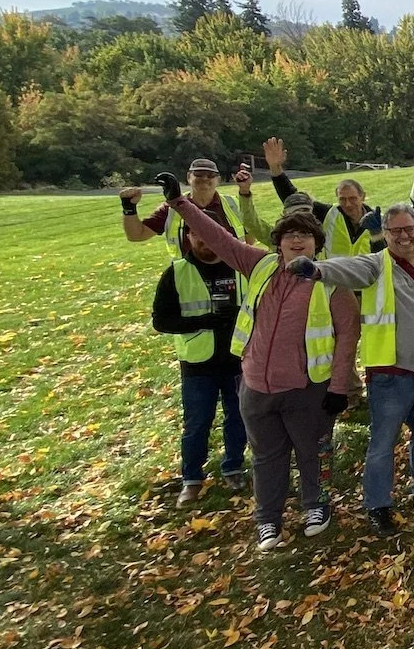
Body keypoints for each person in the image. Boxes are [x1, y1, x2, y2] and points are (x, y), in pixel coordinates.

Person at [158, 175, 361, 551]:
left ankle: (316, 506)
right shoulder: (260, 266)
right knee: (267, 457)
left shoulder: (330, 280)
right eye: (290, 235)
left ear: (317, 244)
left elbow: (348, 336)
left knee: (313, 452)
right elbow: (220, 238)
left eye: (305, 236)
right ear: (278, 242)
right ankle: (268, 520)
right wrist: (179, 203)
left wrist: (338, 388)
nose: (297, 241)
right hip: (255, 387)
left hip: (306, 388)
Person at [286, 202, 414, 537]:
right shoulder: (376, 266)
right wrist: (315, 269)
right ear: (385, 234)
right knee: (383, 442)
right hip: (391, 373)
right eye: (396, 230)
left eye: (409, 229)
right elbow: (346, 268)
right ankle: (378, 504)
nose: (404, 236)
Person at [149, 226, 249, 507]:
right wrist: (203, 321)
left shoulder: (240, 269)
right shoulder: (177, 272)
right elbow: (161, 321)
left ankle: (233, 467)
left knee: (238, 417)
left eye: (210, 233)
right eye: (197, 234)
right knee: (197, 422)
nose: (205, 240)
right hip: (198, 363)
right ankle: (191, 478)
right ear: (189, 238)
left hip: (238, 358)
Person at [262, 137, 386, 259]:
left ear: (362, 196)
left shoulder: (378, 221)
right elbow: (293, 199)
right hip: (329, 272)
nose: (348, 204)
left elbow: (387, 257)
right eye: (342, 199)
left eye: (352, 198)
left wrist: (377, 234)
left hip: (365, 273)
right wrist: (275, 168)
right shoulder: (329, 214)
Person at [121, 158, 265, 255]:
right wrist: (129, 207)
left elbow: (249, 240)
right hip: (188, 279)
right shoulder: (171, 208)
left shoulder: (234, 205)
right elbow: (136, 235)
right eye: (199, 174)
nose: (205, 178)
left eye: (210, 175)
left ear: (218, 180)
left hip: (232, 276)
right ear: (189, 177)